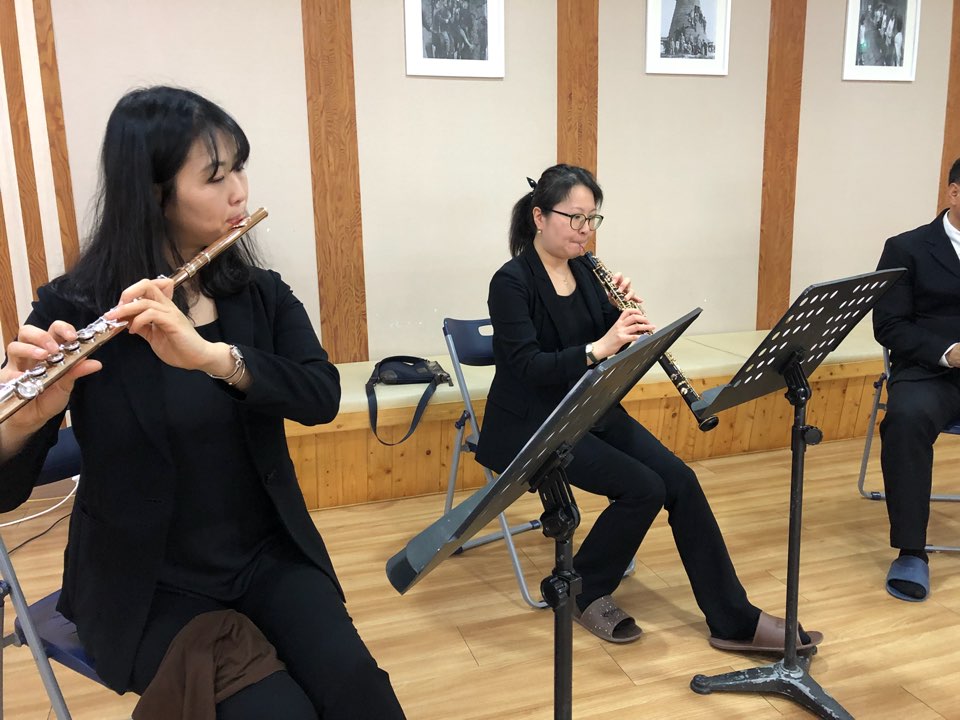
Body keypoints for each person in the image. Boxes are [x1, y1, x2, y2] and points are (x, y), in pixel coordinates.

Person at [0, 86, 405, 719]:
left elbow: (320, 396)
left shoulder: (260, 294)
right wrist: (22, 425)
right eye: (216, 178)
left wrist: (216, 358)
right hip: (144, 583)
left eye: (240, 168)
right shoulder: (72, 310)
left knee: (361, 694)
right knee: (278, 713)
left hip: (265, 556)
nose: (239, 191)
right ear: (154, 194)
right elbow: (7, 491)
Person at [475, 164, 823, 651]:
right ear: (539, 216)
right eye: (575, 218)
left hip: (589, 408)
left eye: (592, 219)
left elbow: (613, 344)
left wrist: (624, 317)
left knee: (680, 480)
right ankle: (583, 590)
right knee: (643, 488)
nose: (585, 229)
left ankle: (732, 618)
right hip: (537, 423)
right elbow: (527, 366)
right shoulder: (511, 282)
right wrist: (599, 347)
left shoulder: (586, 271)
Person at [873, 158, 960, 603]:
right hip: (930, 371)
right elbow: (888, 325)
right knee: (905, 419)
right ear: (954, 194)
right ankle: (911, 552)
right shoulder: (906, 248)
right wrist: (949, 351)